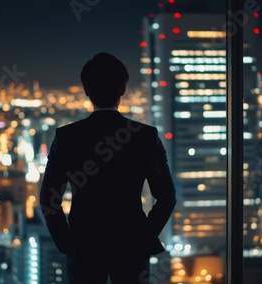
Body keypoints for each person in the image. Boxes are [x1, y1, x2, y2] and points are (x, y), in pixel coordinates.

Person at [39, 52, 176, 284]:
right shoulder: (144, 136)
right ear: (122, 89)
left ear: (86, 91)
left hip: (84, 246)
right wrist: (144, 235)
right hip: (131, 245)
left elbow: (48, 198)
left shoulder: (68, 137)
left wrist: (68, 242)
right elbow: (167, 196)